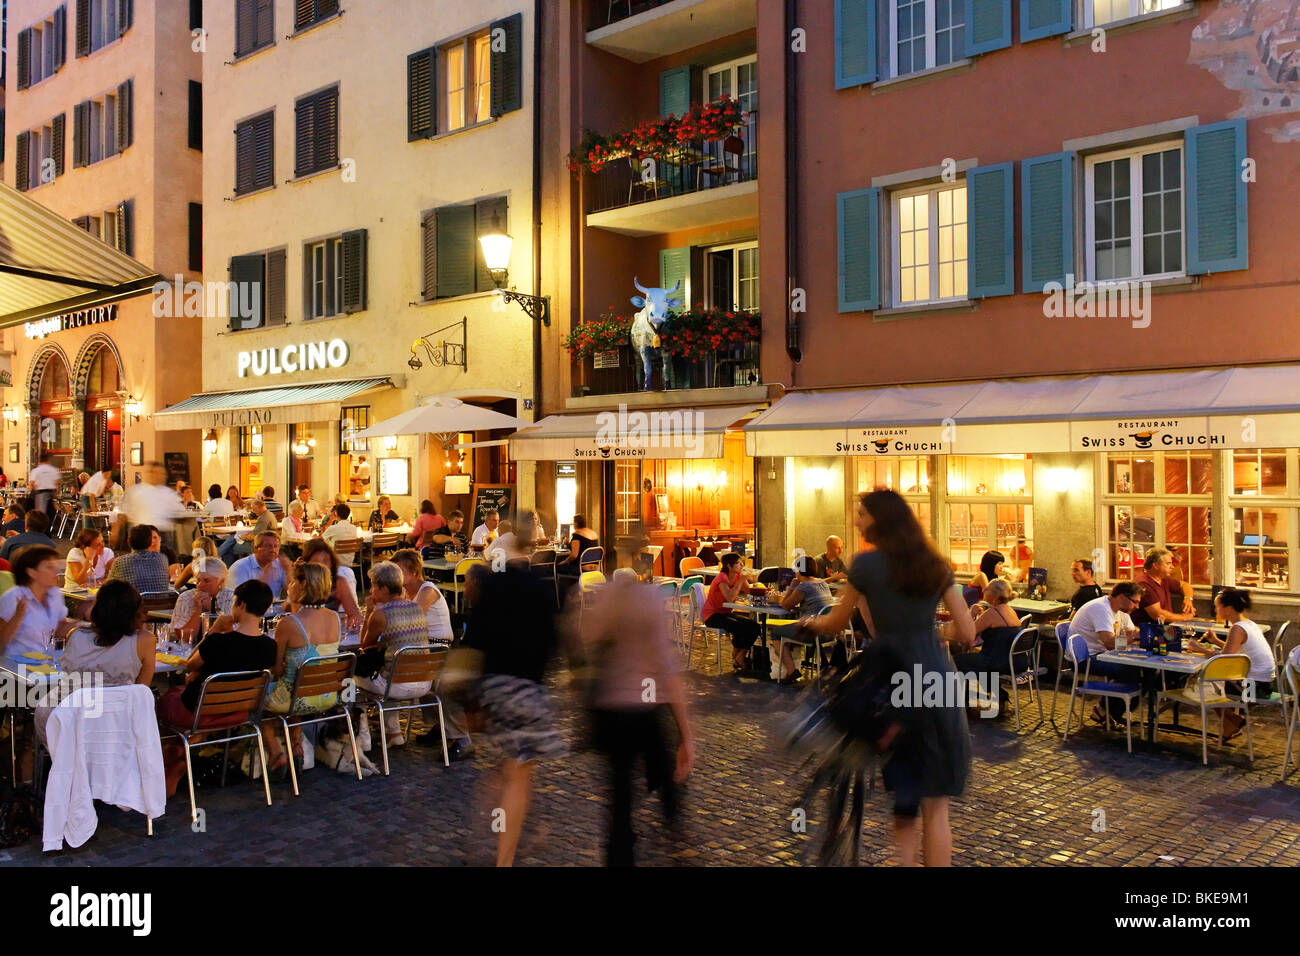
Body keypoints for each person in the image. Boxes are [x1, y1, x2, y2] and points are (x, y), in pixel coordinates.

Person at [804, 489, 975, 867]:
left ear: (880, 519)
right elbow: (966, 633)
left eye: (861, 514)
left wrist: (809, 622)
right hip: (936, 682)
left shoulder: (865, 566)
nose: (855, 520)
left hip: (893, 680)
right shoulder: (935, 563)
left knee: (905, 798)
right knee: (937, 805)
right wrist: (930, 635)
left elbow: (836, 623)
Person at [578, 565, 694, 866]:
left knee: (620, 794)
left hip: (612, 710)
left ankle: (621, 852)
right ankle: (674, 841)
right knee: (667, 781)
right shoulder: (649, 601)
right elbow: (667, 669)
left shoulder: (604, 600)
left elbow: (585, 644)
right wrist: (686, 734)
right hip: (644, 708)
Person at [462, 551, 564, 867]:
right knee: (520, 772)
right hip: (526, 690)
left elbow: (473, 644)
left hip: (493, 689)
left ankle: (493, 815)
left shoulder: (492, 589)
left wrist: (470, 703)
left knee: (512, 766)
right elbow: (553, 640)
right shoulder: (541, 588)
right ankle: (503, 856)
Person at [157, 580, 277, 794]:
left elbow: (189, 665)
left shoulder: (220, 642)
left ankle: (172, 756)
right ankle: (183, 752)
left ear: (240, 604)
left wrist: (214, 629)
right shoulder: (270, 647)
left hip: (198, 711)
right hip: (239, 712)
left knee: (162, 700)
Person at [36, 580, 156, 744]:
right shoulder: (144, 641)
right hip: (106, 724)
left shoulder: (75, 635)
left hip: (60, 719)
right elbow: (141, 690)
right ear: (135, 612)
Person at [261, 562, 343, 775]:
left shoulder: (289, 624)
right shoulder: (335, 618)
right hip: (326, 695)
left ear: (303, 584)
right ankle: (296, 742)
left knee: (258, 697)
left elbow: (277, 670)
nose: (289, 586)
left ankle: (275, 751)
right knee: (295, 684)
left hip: (296, 699)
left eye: (292, 582)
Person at [354, 561, 434, 749]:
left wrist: (369, 613)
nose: (371, 590)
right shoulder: (416, 608)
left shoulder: (382, 614)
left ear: (383, 588)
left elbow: (364, 645)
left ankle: (363, 738)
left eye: (373, 585)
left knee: (351, 679)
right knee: (389, 672)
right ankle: (394, 733)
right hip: (423, 681)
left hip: (396, 684)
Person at [1184, 587, 1275, 739]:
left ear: (1228, 609)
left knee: (1207, 683)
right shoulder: (1249, 624)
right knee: (1213, 681)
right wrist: (1215, 641)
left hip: (1252, 688)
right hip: (1264, 683)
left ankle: (1234, 720)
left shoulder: (1237, 629)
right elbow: (1234, 650)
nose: (1215, 610)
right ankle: (1230, 724)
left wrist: (1197, 648)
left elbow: (1223, 659)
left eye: (1217, 606)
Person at [1068, 582, 1144, 721]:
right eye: (1135, 602)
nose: (1137, 607)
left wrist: (1142, 634)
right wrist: (1133, 637)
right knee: (1130, 671)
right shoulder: (1101, 609)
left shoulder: (1122, 611)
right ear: (1122, 597)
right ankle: (1106, 711)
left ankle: (1110, 711)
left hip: (1102, 654)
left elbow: (1132, 631)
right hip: (1085, 658)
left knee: (1141, 670)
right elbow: (1110, 643)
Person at [948, 579, 1025, 715]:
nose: (983, 590)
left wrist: (970, 614)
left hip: (998, 661)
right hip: (1016, 660)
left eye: (987, 589)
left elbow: (967, 633)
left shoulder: (992, 613)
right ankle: (998, 695)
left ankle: (963, 703)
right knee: (971, 661)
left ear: (995, 597)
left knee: (957, 661)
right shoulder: (1010, 610)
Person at [0, 545, 79, 656]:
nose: (56, 571)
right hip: (18, 665)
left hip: (48, 661)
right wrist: (17, 617)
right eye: (49, 567)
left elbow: (59, 629)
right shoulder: (13, 597)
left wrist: (81, 622)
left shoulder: (55, 594)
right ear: (32, 573)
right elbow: (1, 644)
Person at [775, 556, 835, 681]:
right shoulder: (822, 582)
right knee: (790, 628)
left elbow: (785, 606)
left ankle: (792, 671)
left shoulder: (804, 587)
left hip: (812, 631)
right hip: (829, 631)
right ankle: (793, 667)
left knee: (775, 632)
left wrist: (791, 588)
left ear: (798, 570)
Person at [699, 552, 761, 673]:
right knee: (741, 627)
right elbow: (729, 598)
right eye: (738, 563)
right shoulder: (722, 578)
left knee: (754, 626)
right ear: (729, 566)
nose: (742, 565)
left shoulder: (738, 576)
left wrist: (758, 582)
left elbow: (749, 591)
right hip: (712, 616)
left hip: (725, 613)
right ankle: (739, 657)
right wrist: (742, 580)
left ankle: (738, 655)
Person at [298, 537, 363, 629]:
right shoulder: (301, 583)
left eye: (325, 561)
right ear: (307, 565)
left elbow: (355, 614)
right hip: (305, 631)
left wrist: (351, 624)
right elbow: (295, 614)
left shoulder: (339, 582)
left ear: (331, 563)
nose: (322, 567)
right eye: (316, 562)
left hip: (330, 631)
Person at [116, 461, 182, 552]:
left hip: (164, 536)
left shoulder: (169, 494)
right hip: (142, 535)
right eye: (156, 473)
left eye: (162, 474)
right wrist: (115, 532)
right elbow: (122, 513)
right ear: (150, 474)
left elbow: (179, 514)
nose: (160, 476)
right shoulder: (136, 491)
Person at [170, 557, 235, 641]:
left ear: (221, 581)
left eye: (207, 581)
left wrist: (212, 609)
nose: (200, 585)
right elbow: (184, 638)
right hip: (190, 651)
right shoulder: (186, 597)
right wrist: (197, 610)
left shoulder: (232, 597)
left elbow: (232, 635)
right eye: (198, 580)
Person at [1131, 547, 1195, 627]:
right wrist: (1184, 617)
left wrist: (1188, 599)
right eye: (1168, 563)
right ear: (1156, 565)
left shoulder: (1163, 578)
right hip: (1149, 631)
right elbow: (1158, 614)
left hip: (1165, 629)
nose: (1172, 567)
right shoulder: (1143, 583)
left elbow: (1184, 585)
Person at [105, 523, 172, 594]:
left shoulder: (120, 561)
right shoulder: (162, 558)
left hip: (134, 604)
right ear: (149, 542)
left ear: (129, 541)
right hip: (162, 603)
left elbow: (108, 587)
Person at [228, 531, 292, 602]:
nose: (273, 550)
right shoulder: (241, 567)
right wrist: (263, 578)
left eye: (276, 546)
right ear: (256, 548)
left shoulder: (280, 564)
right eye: (268, 546)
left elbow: (293, 593)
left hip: (274, 610)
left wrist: (288, 571)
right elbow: (239, 600)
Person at [218, 497, 277, 563]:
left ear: (260, 507)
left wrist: (244, 537)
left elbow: (255, 536)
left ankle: (224, 562)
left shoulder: (263, 519)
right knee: (231, 539)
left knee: (229, 547)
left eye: (254, 509)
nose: (253, 512)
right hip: (267, 542)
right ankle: (220, 557)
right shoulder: (270, 514)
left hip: (257, 545)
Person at [27, 453, 61, 523]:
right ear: (49, 460)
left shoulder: (36, 470)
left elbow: (32, 484)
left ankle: (39, 530)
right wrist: (56, 494)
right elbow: (57, 483)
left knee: (40, 516)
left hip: (40, 494)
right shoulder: (54, 470)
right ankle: (49, 531)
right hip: (51, 494)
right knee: (50, 515)